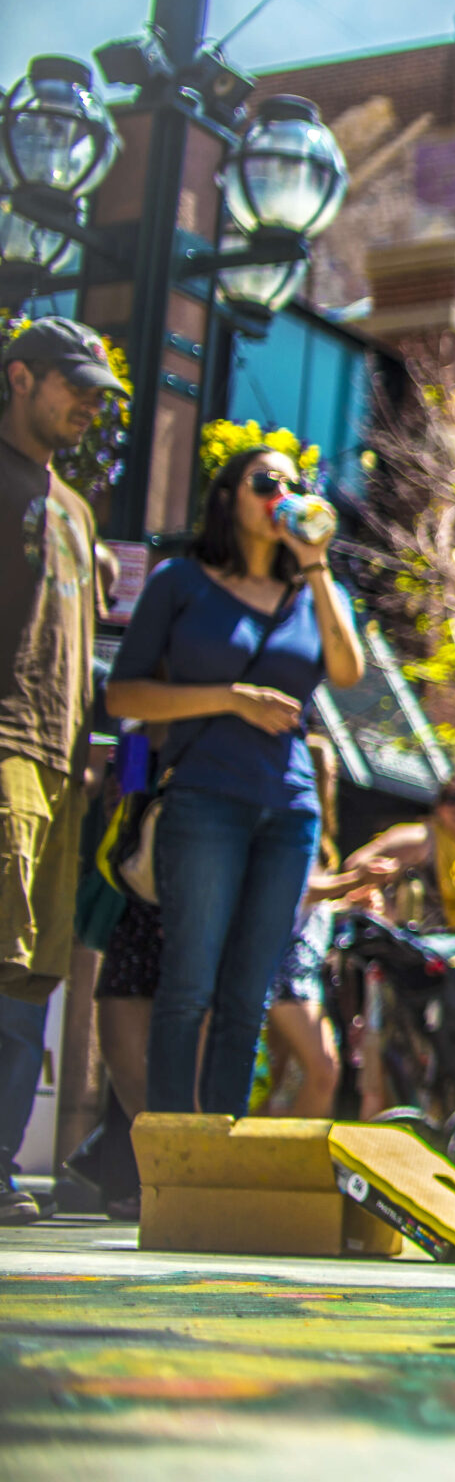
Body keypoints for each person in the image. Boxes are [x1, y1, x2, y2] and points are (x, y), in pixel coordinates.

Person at [103, 446, 364, 1115]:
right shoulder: (181, 583)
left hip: (290, 811)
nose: (281, 495)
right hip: (203, 800)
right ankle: (168, 1164)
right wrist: (230, 698)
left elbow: (347, 671)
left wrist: (315, 564)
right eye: (264, 483)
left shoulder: (310, 593)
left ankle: (219, 1164)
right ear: (228, 497)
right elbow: (125, 696)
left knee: (246, 998)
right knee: (189, 986)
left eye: (293, 485)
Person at [1, 318, 125, 1223]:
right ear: (19, 378)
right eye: (74, 384)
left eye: (99, 392)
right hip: (4, 745)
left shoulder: (78, 513)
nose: (89, 404)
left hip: (62, 768)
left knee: (29, 978)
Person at [260, 735, 396, 1118]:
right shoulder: (294, 819)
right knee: (323, 1070)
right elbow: (295, 889)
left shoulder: (320, 835)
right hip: (285, 968)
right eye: (331, 771)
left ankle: (270, 1165)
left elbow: (308, 905)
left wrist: (346, 903)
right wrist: (355, 880)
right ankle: (289, 1168)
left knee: (286, 1081)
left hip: (303, 967)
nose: (335, 780)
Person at [347, 773, 455, 932]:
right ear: (439, 806)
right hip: (432, 948)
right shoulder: (423, 838)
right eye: (452, 799)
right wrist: (386, 914)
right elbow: (356, 864)